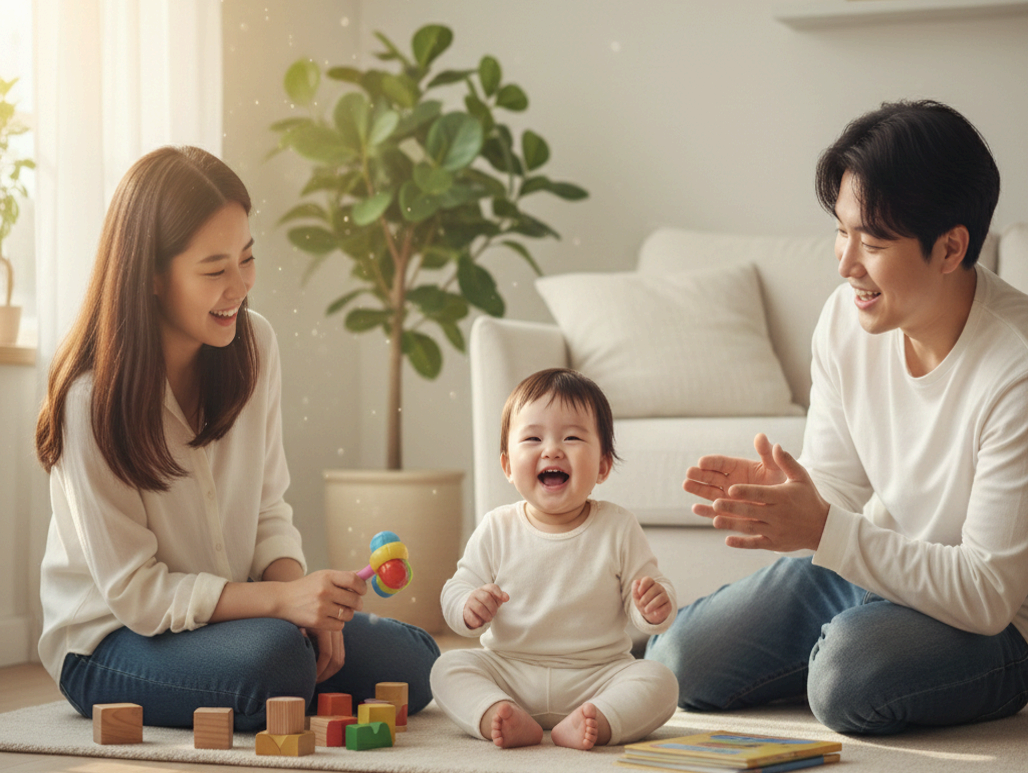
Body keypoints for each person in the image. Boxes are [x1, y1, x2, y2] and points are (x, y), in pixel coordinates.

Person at [645, 99, 1028, 735]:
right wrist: (795, 496)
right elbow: (841, 489)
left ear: (951, 247)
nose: (846, 263)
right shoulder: (846, 318)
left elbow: (987, 592)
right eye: (841, 230)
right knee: (674, 665)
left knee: (845, 679)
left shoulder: (1014, 366)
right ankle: (849, 637)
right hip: (876, 575)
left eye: (872, 242)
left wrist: (826, 529)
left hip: (996, 621)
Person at [34, 146, 439, 731]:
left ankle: (289, 647)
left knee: (416, 663)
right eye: (214, 270)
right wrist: (280, 606)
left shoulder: (255, 346)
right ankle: (282, 653)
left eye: (247, 259)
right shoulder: (89, 400)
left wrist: (304, 607)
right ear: (150, 274)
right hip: (112, 641)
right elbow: (139, 595)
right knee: (275, 667)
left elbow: (269, 508)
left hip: (234, 621)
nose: (240, 287)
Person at [431, 368, 679, 750]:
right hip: (509, 671)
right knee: (447, 667)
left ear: (602, 466)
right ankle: (499, 712)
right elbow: (456, 589)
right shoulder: (497, 527)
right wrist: (467, 606)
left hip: (597, 676)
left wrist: (655, 606)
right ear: (508, 466)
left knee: (660, 681)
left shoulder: (618, 526)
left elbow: (643, 595)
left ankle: (598, 718)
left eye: (573, 437)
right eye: (533, 438)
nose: (552, 449)